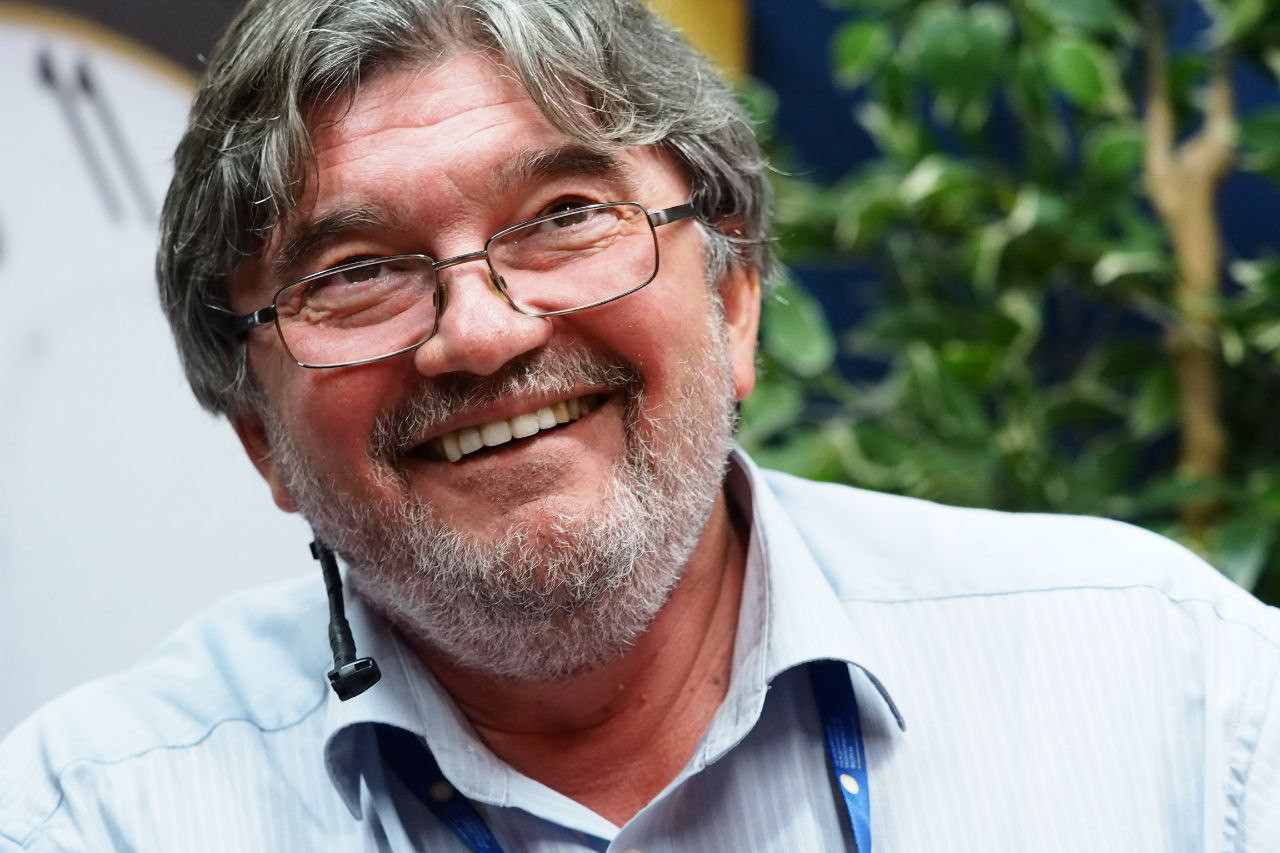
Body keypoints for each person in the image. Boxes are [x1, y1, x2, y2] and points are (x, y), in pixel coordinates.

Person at [3, 0, 1278, 849]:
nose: (482, 332)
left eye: (564, 215)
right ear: (259, 437)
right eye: (357, 274)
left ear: (732, 297)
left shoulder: (1172, 694)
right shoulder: (97, 816)